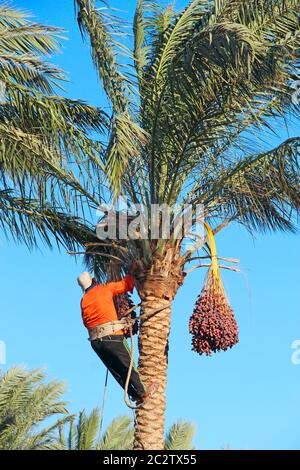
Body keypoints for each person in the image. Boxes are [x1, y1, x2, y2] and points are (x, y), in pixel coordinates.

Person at [77, 267, 154, 404]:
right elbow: (127, 284)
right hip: (113, 337)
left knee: (116, 371)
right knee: (128, 365)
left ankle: (134, 395)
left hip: (96, 343)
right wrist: (132, 271)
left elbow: (85, 322)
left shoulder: (84, 300)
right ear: (94, 279)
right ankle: (143, 391)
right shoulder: (105, 289)